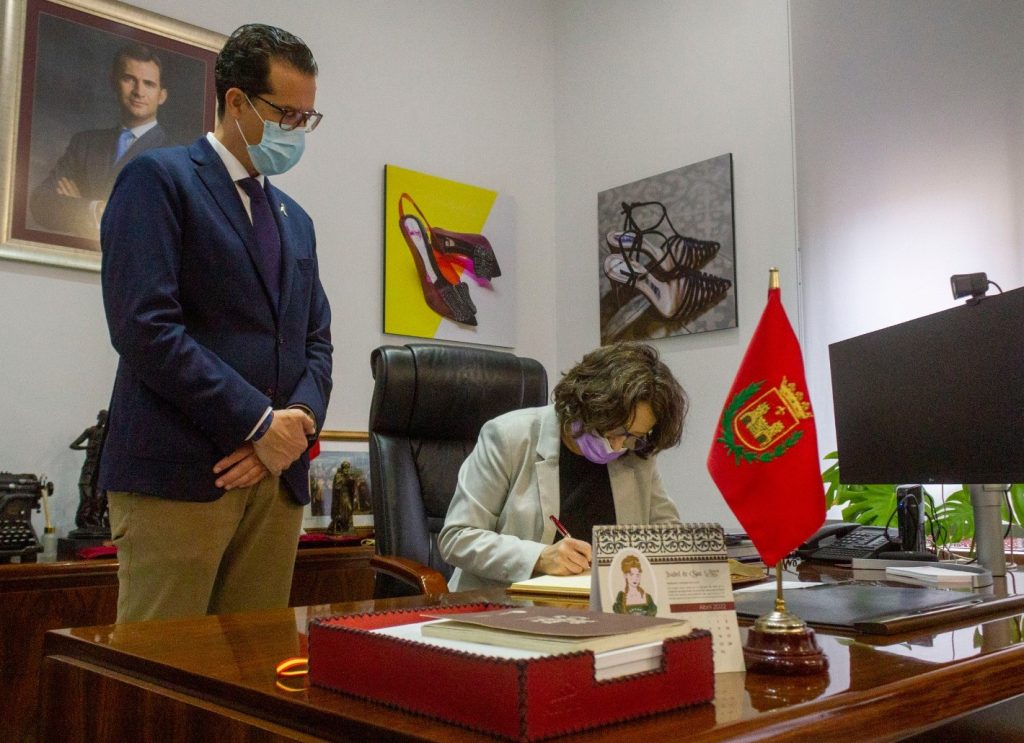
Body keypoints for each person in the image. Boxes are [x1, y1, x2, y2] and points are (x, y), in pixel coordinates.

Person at [98, 24, 332, 623]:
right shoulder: (159, 180)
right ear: (236, 102)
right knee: (162, 682)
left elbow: (313, 341)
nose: (296, 131)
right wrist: (257, 423)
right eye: (287, 114)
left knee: (255, 676)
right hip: (181, 476)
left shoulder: (297, 219)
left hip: (276, 483)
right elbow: (145, 327)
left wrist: (294, 427)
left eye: (307, 119)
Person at [438, 342, 687, 591]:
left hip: (595, 607)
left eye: (632, 436)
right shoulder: (509, 437)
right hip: (501, 601)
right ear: (585, 405)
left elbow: (668, 536)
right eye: (614, 430)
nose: (618, 445)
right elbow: (458, 538)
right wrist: (540, 557)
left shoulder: (635, 453)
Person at [30, 43, 172, 241]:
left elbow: (152, 226)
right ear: (113, 82)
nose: (139, 91)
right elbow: (40, 203)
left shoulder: (176, 155)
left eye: (149, 84)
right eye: (129, 79)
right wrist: (93, 208)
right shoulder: (85, 143)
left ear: (162, 96)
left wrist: (80, 204)